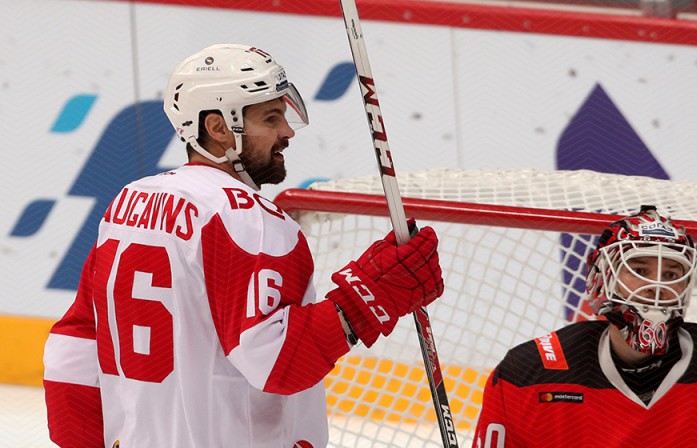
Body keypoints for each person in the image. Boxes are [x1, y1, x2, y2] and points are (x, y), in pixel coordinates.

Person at [42, 43, 444, 448]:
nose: (287, 131)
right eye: (271, 118)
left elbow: (74, 342)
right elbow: (278, 364)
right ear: (218, 129)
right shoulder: (251, 221)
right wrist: (368, 299)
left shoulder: (129, 203)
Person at [472, 205, 697, 447]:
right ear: (603, 277)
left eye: (671, 274)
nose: (656, 287)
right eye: (639, 268)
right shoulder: (525, 377)